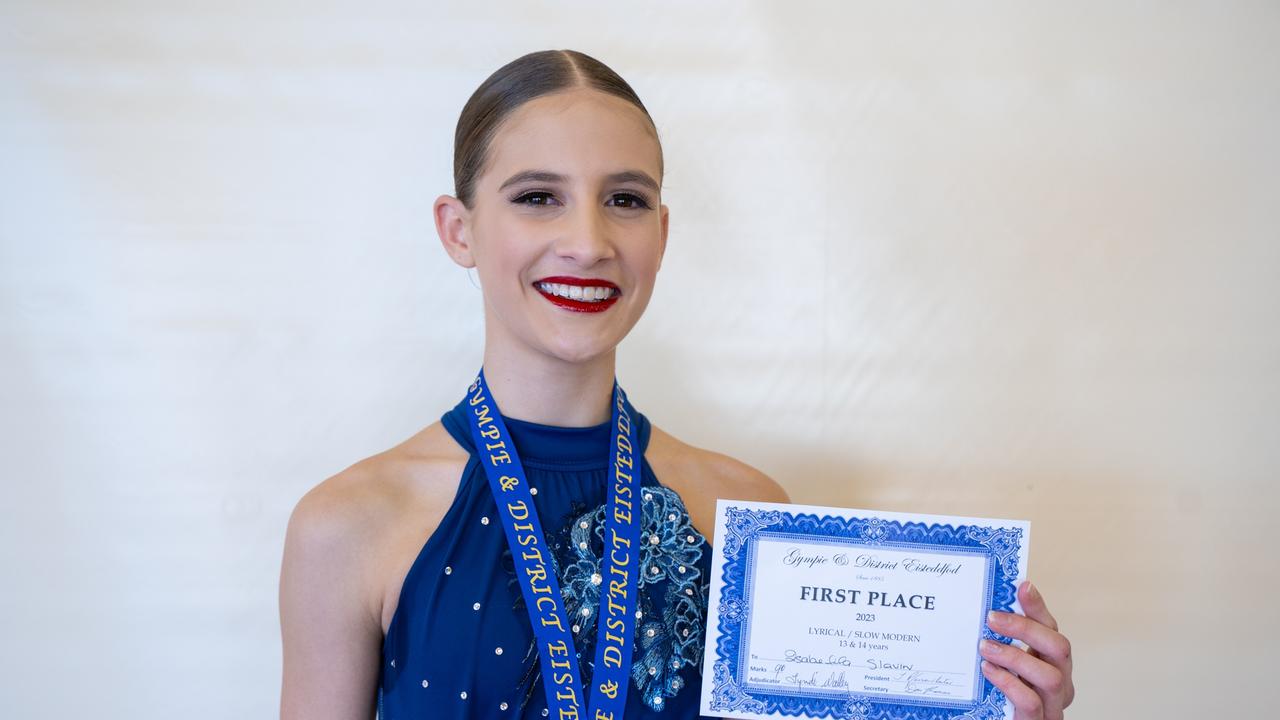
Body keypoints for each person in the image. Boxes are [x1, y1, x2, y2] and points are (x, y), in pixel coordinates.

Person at [279, 50, 1075, 720]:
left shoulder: (753, 515)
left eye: (624, 200)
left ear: (660, 233)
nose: (587, 242)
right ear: (459, 229)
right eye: (537, 198)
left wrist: (1005, 701)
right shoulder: (346, 526)